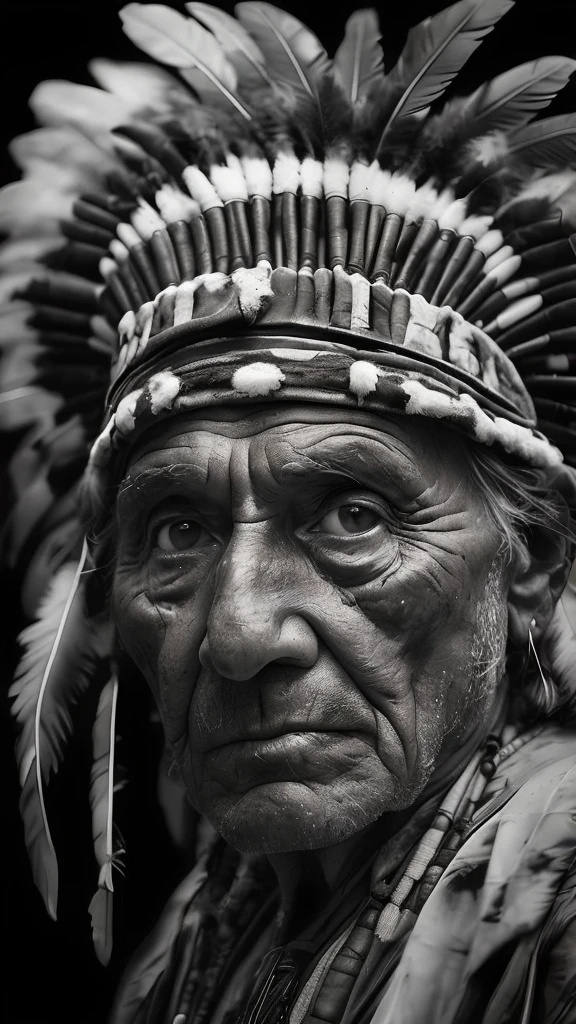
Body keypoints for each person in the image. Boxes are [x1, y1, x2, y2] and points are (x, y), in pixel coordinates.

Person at [2, 2, 576, 1022]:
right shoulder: (215, 917)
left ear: (527, 559)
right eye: (175, 530)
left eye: (352, 515)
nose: (237, 632)